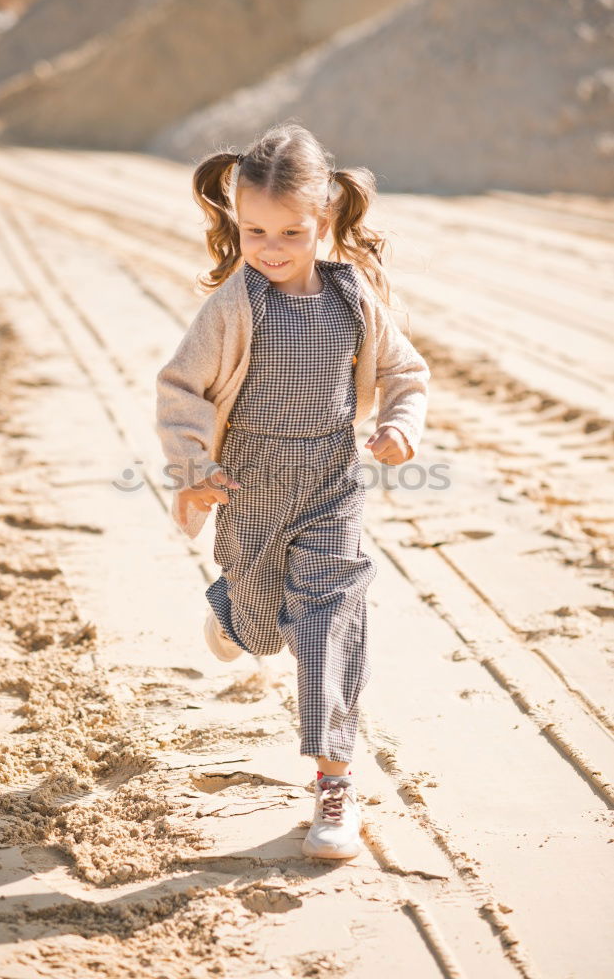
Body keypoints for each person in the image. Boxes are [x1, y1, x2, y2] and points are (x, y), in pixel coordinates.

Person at [155, 121, 430, 859]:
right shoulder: (232, 305)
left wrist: (401, 424)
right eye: (254, 231)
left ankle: (333, 785)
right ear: (233, 222)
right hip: (249, 484)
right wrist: (193, 467)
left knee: (328, 624)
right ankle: (231, 609)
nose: (271, 248)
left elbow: (406, 373)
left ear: (325, 222)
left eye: (290, 232)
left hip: (332, 485)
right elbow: (180, 388)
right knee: (260, 631)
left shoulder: (353, 298)